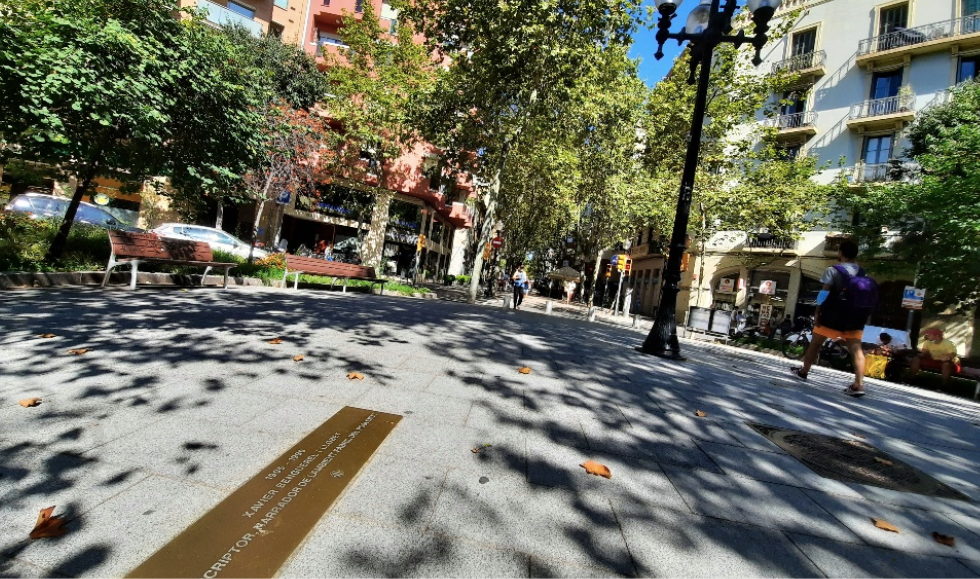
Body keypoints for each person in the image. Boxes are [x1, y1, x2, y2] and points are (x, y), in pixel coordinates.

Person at [790, 240, 877, 397]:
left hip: (833, 316)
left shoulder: (833, 270)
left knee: (815, 344)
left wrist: (817, 313)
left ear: (841, 253)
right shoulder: (863, 273)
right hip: (855, 318)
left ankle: (803, 372)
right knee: (856, 351)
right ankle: (858, 385)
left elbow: (824, 294)